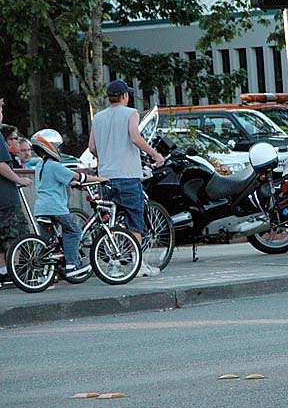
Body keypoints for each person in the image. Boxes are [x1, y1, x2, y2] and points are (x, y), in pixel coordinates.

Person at [88, 79, 165, 277]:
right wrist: (155, 155)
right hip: (128, 176)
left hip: (104, 177)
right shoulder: (131, 113)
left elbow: (92, 148)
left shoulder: (98, 117)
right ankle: (137, 264)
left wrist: (107, 157)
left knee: (110, 222)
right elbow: (135, 137)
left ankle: (113, 264)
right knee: (134, 220)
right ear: (124, 96)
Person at [31, 129, 107, 278]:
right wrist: (100, 179)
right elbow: (79, 176)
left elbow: (56, 180)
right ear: (52, 147)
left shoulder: (40, 165)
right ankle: (72, 265)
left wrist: (72, 183)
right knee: (73, 231)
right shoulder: (55, 166)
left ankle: (42, 274)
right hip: (56, 208)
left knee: (48, 242)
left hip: (41, 208)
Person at [0, 99, 32, 288]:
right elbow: (1, 164)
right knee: (15, 235)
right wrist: (18, 179)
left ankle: (3, 273)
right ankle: (16, 272)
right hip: (5, 197)